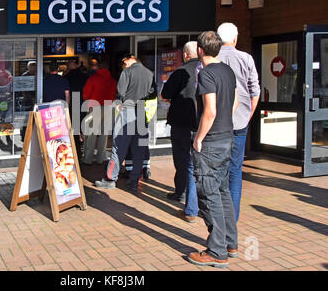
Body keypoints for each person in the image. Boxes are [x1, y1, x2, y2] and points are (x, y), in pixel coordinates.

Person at [187, 31, 238, 268]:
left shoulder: (207, 73)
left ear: (200, 50)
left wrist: (199, 138)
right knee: (223, 191)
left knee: (208, 194)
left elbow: (210, 110)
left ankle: (217, 252)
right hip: (227, 137)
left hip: (211, 142)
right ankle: (230, 242)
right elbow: (235, 102)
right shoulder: (228, 70)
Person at [217, 22, 260, 222]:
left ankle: (217, 219)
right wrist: (248, 114)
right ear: (235, 39)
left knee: (216, 172)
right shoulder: (246, 58)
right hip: (240, 123)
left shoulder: (211, 60)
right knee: (235, 171)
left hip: (216, 125)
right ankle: (231, 220)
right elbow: (255, 91)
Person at [95, 55, 154, 191]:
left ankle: (110, 179)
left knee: (118, 147)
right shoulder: (149, 73)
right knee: (139, 149)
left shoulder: (127, 72)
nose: (123, 65)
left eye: (123, 63)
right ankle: (134, 181)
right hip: (141, 113)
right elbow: (152, 93)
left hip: (127, 112)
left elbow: (120, 93)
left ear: (128, 60)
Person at [161, 41, 200, 223]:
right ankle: (191, 199)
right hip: (201, 124)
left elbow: (165, 94)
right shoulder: (206, 71)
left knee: (183, 161)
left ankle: (184, 197)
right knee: (195, 164)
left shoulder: (179, 72)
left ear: (185, 55)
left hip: (181, 124)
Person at [82, 66, 117, 165]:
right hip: (108, 107)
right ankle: (101, 158)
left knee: (91, 133)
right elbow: (114, 94)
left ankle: (88, 159)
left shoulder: (93, 78)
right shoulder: (112, 80)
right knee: (104, 134)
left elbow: (86, 93)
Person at [64, 59, 89, 159]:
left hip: (73, 103)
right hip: (83, 102)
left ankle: (77, 151)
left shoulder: (66, 77)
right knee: (84, 127)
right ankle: (86, 150)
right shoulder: (85, 76)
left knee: (74, 128)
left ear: (68, 67)